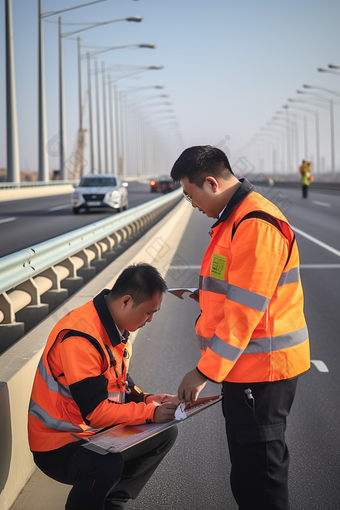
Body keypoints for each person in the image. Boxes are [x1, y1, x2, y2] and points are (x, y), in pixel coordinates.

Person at [170, 146, 310, 510]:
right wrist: (203, 295)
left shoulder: (256, 224)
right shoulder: (235, 221)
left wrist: (202, 372)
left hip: (262, 373)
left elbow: (246, 311)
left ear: (211, 183)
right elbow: (237, 289)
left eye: (190, 194)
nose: (192, 204)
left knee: (260, 479)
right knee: (247, 475)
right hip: (245, 371)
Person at [28, 263, 178, 510]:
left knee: (165, 432)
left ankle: (111, 502)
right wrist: (150, 413)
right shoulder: (81, 338)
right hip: (57, 443)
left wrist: (147, 399)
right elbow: (96, 412)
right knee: (106, 464)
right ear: (126, 301)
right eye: (149, 312)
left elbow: (118, 382)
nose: (150, 319)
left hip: (89, 432)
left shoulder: (114, 326)